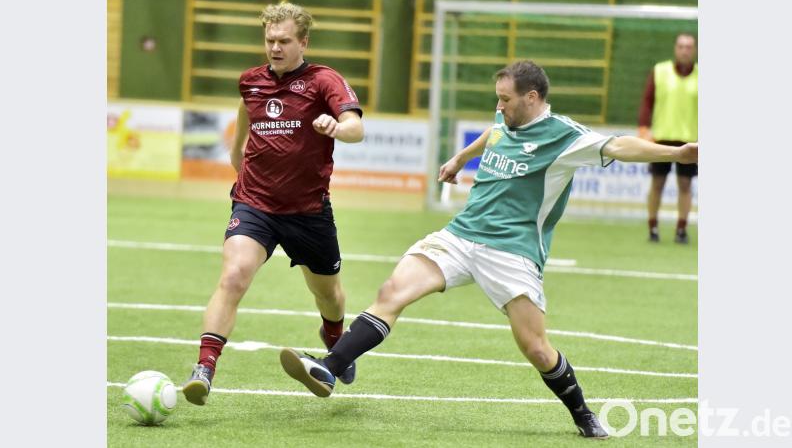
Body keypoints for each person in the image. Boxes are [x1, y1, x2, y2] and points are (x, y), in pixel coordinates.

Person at [278, 60, 697, 439]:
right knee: (392, 292)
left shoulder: (565, 136)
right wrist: (459, 159)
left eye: (506, 99)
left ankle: (583, 414)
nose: (499, 107)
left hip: (512, 252)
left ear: (532, 98)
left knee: (536, 348)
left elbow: (620, 146)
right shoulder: (504, 121)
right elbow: (492, 134)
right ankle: (329, 369)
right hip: (460, 236)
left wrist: (676, 152)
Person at [181, 1, 365, 406]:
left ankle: (333, 334)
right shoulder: (250, 81)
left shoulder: (324, 80)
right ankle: (204, 369)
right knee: (233, 276)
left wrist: (338, 126)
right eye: (270, 41)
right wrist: (239, 164)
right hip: (255, 204)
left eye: (284, 41)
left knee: (329, 295)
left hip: (308, 212)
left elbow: (356, 126)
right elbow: (242, 131)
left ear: (303, 41)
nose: (275, 48)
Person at [639, 33, 698, 243]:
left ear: (695, 49)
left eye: (689, 46)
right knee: (657, 184)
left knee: (685, 185)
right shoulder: (660, 71)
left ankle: (681, 229)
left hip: (691, 139)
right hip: (661, 137)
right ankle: (653, 227)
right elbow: (647, 101)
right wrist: (644, 127)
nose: (685, 50)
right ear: (675, 48)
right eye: (681, 46)